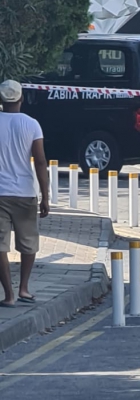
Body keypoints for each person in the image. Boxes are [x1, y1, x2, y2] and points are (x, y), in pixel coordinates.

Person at [0, 80, 49, 308]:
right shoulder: (32, 124)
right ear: (21, 99)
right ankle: (24, 288)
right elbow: (40, 161)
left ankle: (8, 294)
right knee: (28, 243)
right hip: (24, 192)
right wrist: (45, 197)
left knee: (0, 246)